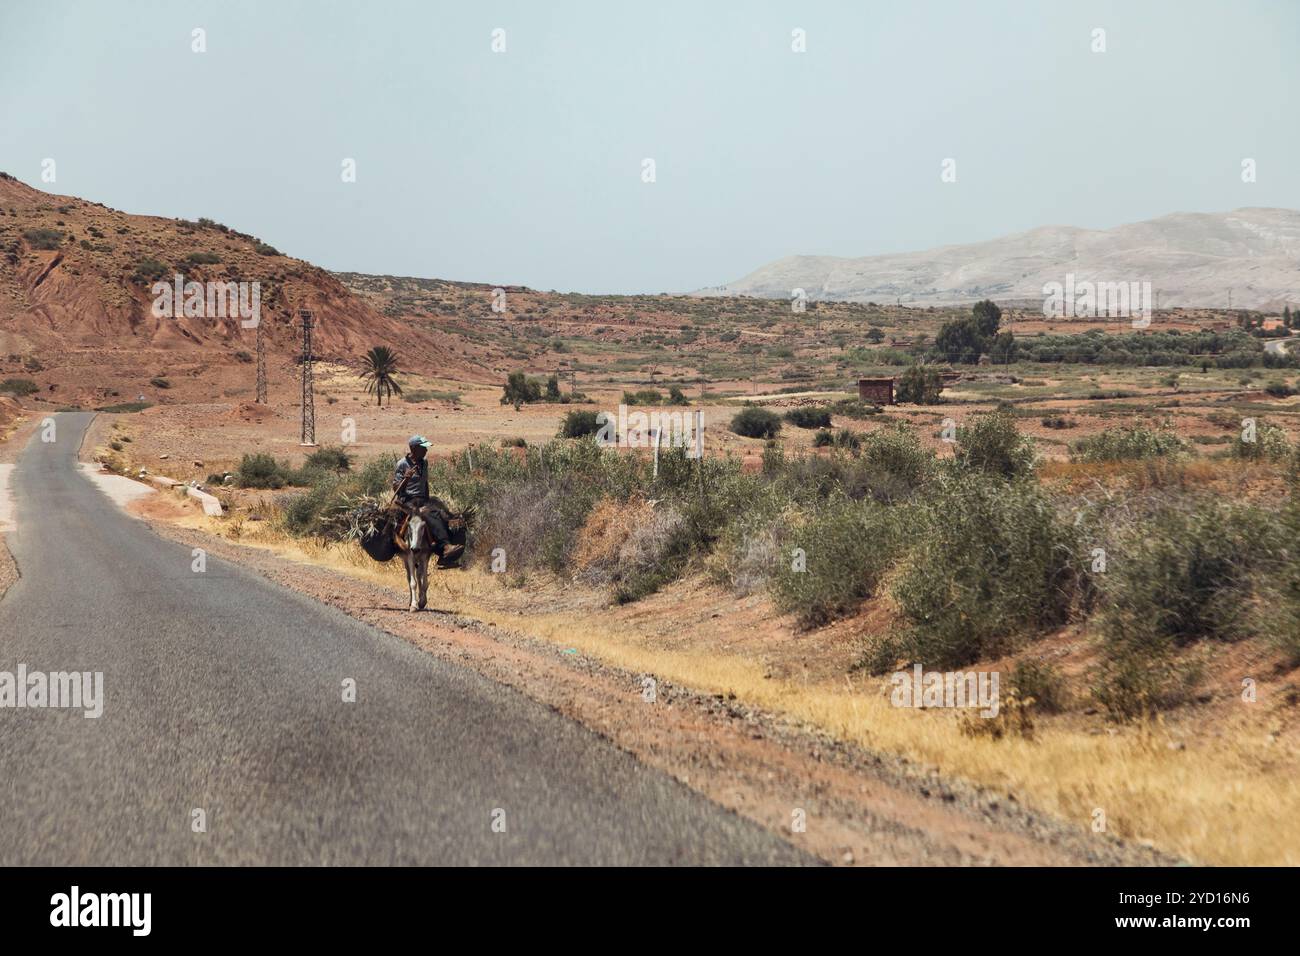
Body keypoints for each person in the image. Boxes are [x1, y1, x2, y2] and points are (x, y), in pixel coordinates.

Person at [392, 435, 463, 562]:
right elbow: (395, 487)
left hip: (422, 499)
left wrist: (429, 500)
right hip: (408, 500)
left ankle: (444, 555)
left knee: (443, 516)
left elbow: (424, 483)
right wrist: (406, 479)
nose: (426, 450)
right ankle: (445, 547)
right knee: (431, 515)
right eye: (423, 447)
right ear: (413, 448)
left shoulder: (424, 463)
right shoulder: (402, 464)